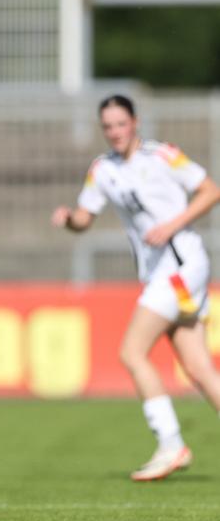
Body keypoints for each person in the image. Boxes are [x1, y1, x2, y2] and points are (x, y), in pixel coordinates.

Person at [52, 95, 220, 481]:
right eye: (108, 126)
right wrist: (68, 220)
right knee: (197, 366)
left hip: (181, 267)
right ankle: (171, 445)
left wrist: (173, 224)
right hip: (163, 273)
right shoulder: (103, 170)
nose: (115, 133)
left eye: (120, 124)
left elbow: (210, 190)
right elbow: (85, 217)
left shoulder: (163, 156)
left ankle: (171, 443)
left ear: (135, 123)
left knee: (131, 351)